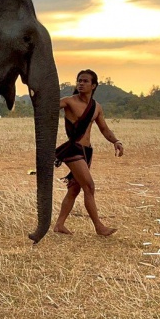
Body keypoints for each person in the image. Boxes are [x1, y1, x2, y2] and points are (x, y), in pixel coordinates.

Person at [54, 69, 123, 236]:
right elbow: (49, 106)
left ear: (93, 85)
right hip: (73, 149)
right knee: (89, 186)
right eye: (79, 80)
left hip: (87, 151)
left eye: (85, 81)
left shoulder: (96, 107)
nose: (81, 83)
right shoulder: (68, 101)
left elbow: (104, 129)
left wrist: (115, 141)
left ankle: (59, 225)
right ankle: (99, 227)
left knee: (74, 190)